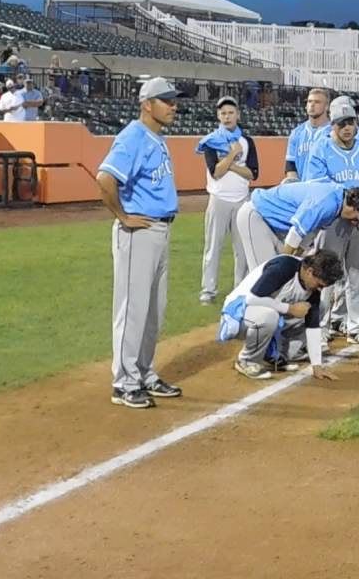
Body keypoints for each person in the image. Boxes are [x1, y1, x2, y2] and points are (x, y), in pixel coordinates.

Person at [95, 76, 186, 410]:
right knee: (132, 309)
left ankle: (144, 372)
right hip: (138, 232)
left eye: (174, 101)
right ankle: (124, 381)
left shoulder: (156, 137)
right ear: (147, 104)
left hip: (159, 230)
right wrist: (122, 215)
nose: (174, 106)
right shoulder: (133, 137)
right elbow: (105, 178)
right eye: (167, 101)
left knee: (153, 312)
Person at [304, 98, 359, 345]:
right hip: (332, 220)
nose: (347, 128)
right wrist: (347, 209)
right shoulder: (320, 149)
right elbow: (318, 188)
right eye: (341, 123)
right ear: (332, 125)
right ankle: (321, 328)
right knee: (324, 275)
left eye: (351, 122)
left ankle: (356, 326)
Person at [218, 250, 343, 381]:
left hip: (262, 315)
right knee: (270, 316)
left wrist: (316, 365)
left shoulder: (311, 288)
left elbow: (312, 327)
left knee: (317, 307)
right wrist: (290, 309)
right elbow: (252, 299)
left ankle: (275, 355)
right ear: (309, 271)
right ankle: (247, 361)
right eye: (319, 284)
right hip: (237, 312)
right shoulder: (284, 267)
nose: (320, 289)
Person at [234, 180, 359, 279]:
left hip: (270, 224)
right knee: (264, 276)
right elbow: (296, 232)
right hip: (256, 216)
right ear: (357, 207)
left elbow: (309, 234)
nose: (357, 224)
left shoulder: (337, 201)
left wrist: (296, 257)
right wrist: (283, 264)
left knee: (276, 278)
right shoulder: (326, 203)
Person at [198, 96, 259, 305]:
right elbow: (215, 172)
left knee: (241, 249)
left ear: (238, 115)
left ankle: (240, 289)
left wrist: (230, 164)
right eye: (223, 113)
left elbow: (253, 174)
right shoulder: (210, 141)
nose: (227, 117)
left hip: (242, 199)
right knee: (213, 246)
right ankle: (208, 290)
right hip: (219, 199)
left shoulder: (247, 141)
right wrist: (233, 155)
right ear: (218, 116)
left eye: (230, 112)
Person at [284, 88, 332, 181]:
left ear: (326, 106)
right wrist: (294, 184)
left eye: (317, 102)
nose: (312, 105)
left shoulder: (332, 132)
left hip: (325, 188)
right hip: (302, 188)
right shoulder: (297, 133)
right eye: (309, 101)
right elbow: (290, 165)